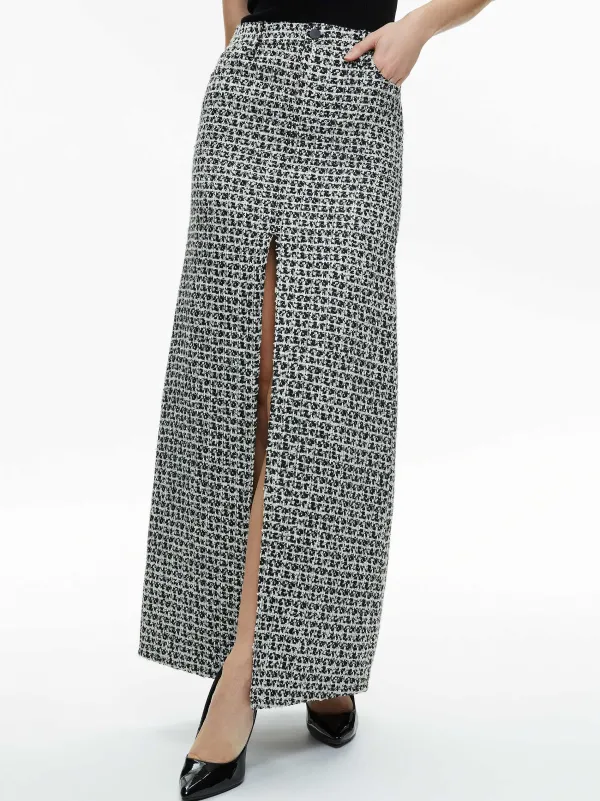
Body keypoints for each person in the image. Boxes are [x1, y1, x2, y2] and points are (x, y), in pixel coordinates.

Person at [138, 1, 494, 798]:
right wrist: (246, 55)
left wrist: (418, 30)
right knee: (243, 376)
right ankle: (301, 658)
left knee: (330, 388)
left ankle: (249, 671)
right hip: (248, 93)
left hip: (351, 94)